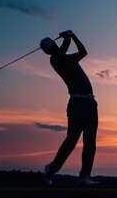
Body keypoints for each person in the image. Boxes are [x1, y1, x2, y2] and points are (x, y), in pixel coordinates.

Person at [40, 30, 99, 187]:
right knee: (72, 141)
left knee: (90, 142)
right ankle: (51, 169)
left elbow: (83, 51)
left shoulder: (69, 58)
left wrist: (73, 36)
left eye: (53, 44)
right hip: (77, 103)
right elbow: (62, 49)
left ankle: (85, 176)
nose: (53, 47)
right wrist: (67, 37)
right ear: (47, 52)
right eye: (50, 47)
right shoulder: (56, 60)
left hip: (90, 103)